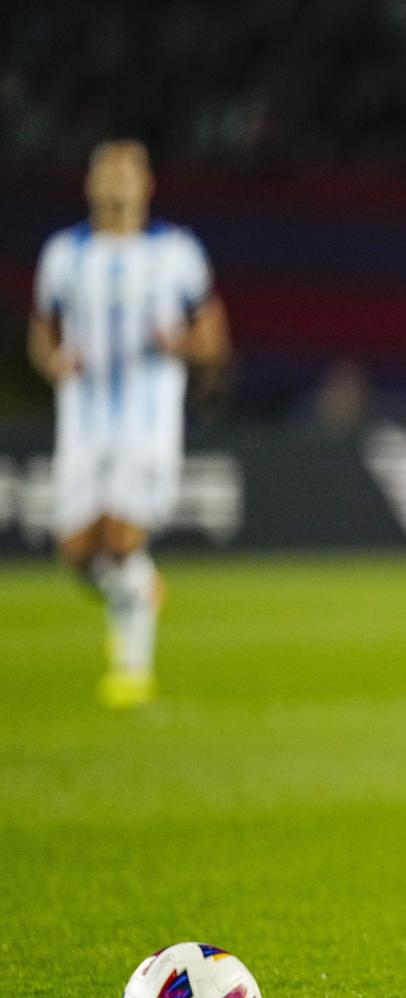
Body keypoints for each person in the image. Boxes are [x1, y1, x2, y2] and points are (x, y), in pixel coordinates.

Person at [27, 141, 230, 708]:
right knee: (76, 552)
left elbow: (214, 341)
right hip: (82, 419)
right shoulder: (63, 255)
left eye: (127, 171)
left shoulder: (176, 253)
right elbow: (42, 331)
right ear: (90, 184)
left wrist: (181, 343)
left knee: (119, 535)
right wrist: (52, 362)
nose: (116, 182)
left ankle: (132, 669)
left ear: (147, 185)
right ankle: (141, 588)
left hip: (148, 419)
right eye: (106, 171)